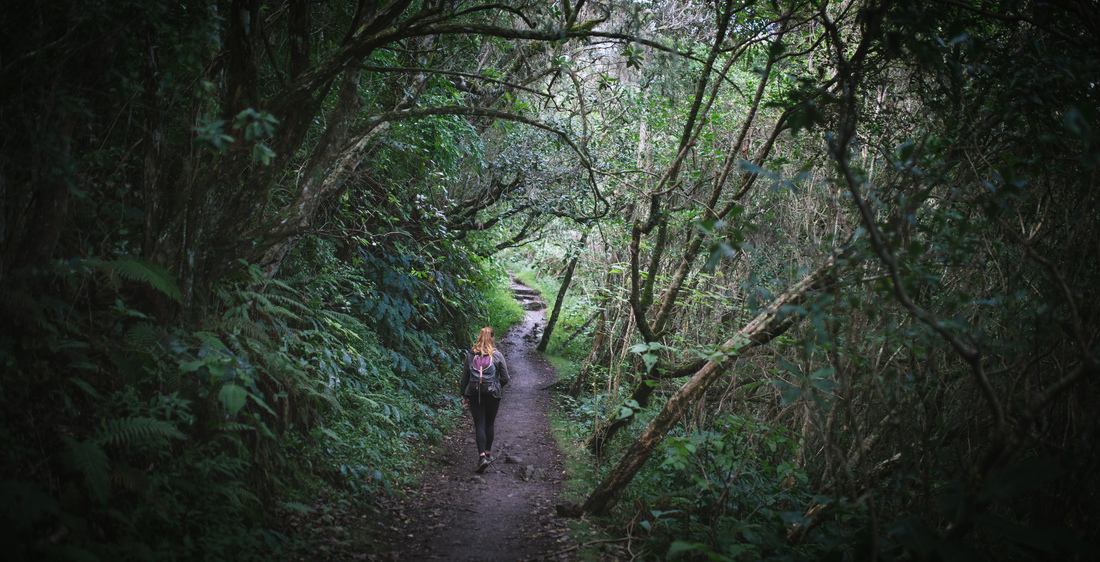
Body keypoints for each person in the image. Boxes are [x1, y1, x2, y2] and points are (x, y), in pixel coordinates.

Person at [460, 326, 509, 473]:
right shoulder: (497, 355)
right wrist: (497, 386)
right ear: (492, 338)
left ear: (479, 337)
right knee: (490, 423)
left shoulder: (471, 355)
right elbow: (505, 377)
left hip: (475, 393)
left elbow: (465, 378)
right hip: (493, 394)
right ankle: (487, 453)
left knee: (479, 424)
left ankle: (481, 457)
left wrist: (464, 395)